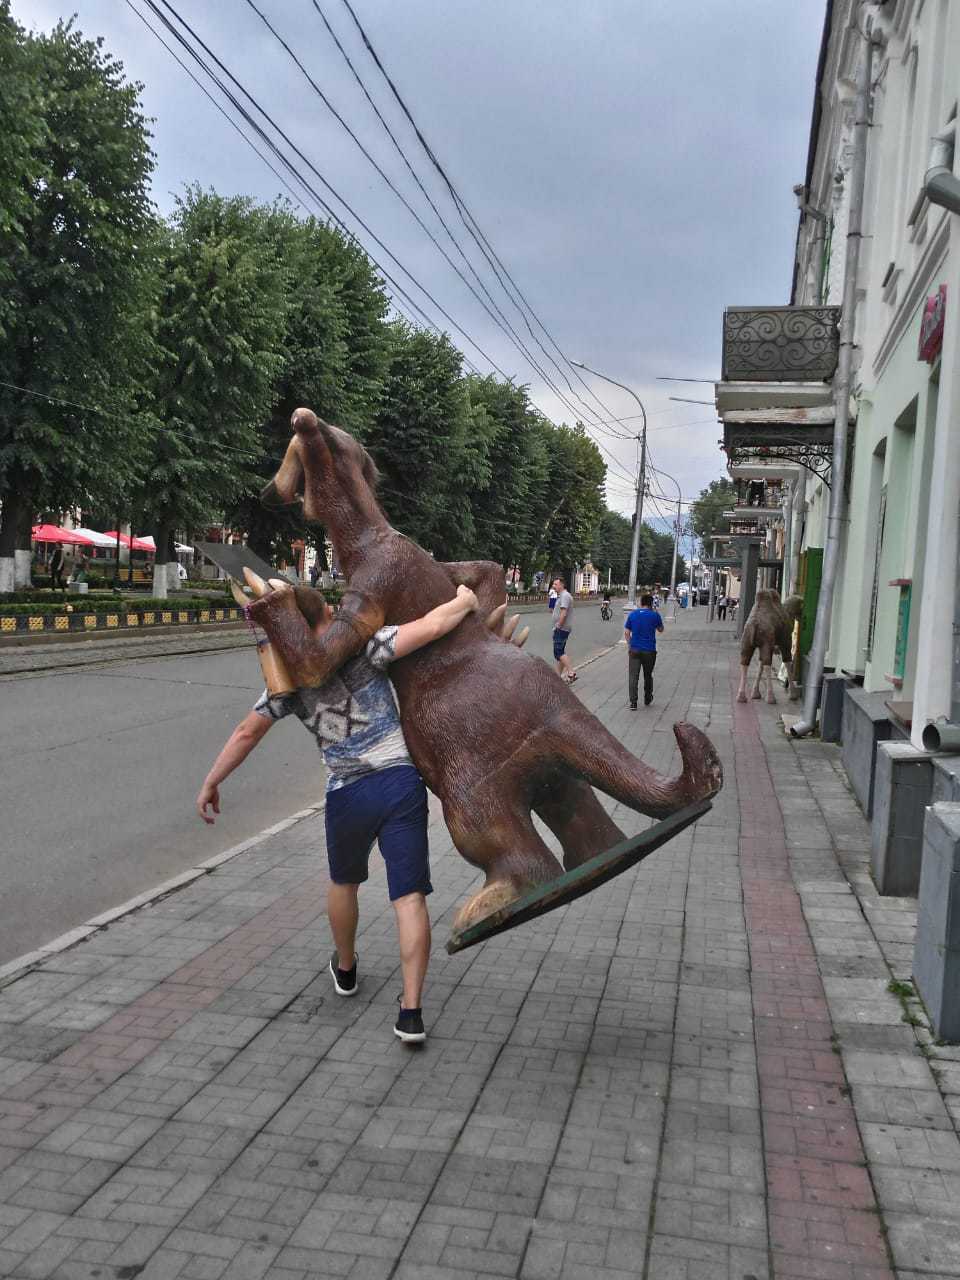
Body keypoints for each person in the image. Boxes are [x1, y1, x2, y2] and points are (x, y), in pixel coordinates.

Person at [196, 582, 479, 1045]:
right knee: (409, 898)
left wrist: (212, 780)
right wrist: (465, 600)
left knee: (344, 883)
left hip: (347, 794)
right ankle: (411, 1012)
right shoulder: (366, 647)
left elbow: (247, 732)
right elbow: (433, 625)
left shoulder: (286, 680)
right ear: (327, 613)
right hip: (399, 785)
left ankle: (345, 967)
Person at [624, 592, 664, 708]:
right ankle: (647, 697)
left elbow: (626, 632)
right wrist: (656, 614)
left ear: (641, 603)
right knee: (648, 675)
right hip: (649, 650)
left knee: (633, 676)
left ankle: (633, 702)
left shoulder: (633, 614)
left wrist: (630, 645)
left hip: (635, 650)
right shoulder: (654, 615)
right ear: (651, 604)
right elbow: (661, 629)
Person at [551, 575, 576, 683]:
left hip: (562, 628)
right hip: (563, 628)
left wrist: (558, 626)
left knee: (558, 652)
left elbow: (564, 613)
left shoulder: (565, 596)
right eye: (553, 584)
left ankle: (571, 672)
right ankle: (558, 677)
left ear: (562, 585)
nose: (553, 586)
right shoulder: (561, 596)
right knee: (560, 651)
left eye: (555, 584)